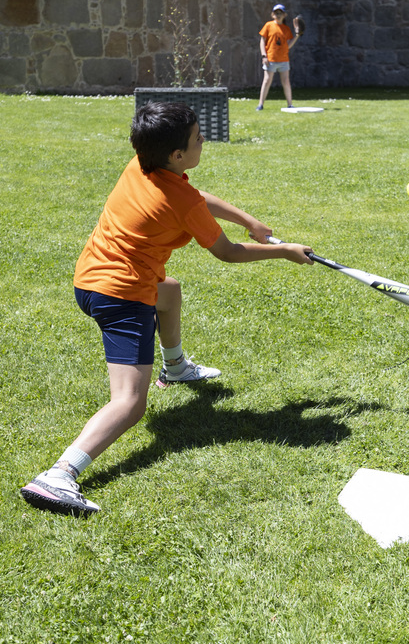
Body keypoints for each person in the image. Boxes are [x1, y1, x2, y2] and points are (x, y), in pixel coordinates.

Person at [21, 101, 313, 516]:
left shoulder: (141, 164)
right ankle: (59, 475)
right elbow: (226, 253)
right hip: (121, 295)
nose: (203, 140)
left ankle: (175, 368)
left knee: (169, 290)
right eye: (197, 137)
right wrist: (285, 251)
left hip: (88, 279)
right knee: (129, 402)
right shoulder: (180, 200)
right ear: (176, 154)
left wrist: (248, 219)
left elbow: (195, 196)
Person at [255, 3, 300, 111]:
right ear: (272, 15)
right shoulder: (268, 25)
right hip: (271, 59)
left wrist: (297, 35)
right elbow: (262, 41)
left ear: (284, 15)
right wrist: (264, 55)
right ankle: (260, 104)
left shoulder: (286, 29)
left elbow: (288, 45)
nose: (278, 15)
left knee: (286, 81)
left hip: (284, 59)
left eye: (281, 13)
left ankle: (290, 104)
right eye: (276, 13)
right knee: (267, 80)